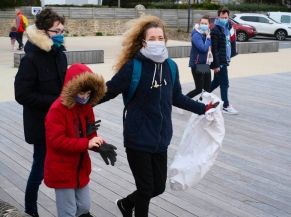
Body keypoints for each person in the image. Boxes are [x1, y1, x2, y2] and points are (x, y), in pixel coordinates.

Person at [99, 15, 218, 217]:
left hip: (161, 138)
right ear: (143, 42)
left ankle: (126, 204)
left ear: (165, 40)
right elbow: (108, 91)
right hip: (137, 138)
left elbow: (177, 97)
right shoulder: (133, 67)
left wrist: (202, 109)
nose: (156, 41)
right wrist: (80, 100)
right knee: (146, 189)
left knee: (157, 187)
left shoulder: (170, 66)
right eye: (152, 38)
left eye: (160, 37)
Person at [14, 8, 67, 217]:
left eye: (63, 30)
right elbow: (22, 95)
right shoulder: (31, 58)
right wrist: (55, 101)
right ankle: (31, 209)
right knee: (40, 168)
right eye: (57, 30)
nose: (61, 34)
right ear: (44, 32)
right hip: (41, 124)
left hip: (62, 124)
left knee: (63, 166)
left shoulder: (60, 54)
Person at [44, 63, 116, 217]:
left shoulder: (87, 107)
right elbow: (56, 140)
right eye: (81, 92)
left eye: (88, 93)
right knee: (68, 211)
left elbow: (90, 134)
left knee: (84, 206)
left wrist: (98, 145)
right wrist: (86, 143)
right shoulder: (57, 110)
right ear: (72, 89)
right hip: (61, 169)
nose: (84, 96)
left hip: (80, 168)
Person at [210, 7, 238, 114]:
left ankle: (202, 97)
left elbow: (229, 43)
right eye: (222, 17)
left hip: (224, 60)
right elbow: (214, 49)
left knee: (216, 82)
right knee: (225, 83)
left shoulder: (227, 28)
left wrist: (231, 55)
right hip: (220, 62)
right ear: (218, 17)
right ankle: (226, 105)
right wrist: (216, 65)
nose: (224, 19)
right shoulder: (215, 30)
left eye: (226, 17)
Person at [186, 15, 212, 98]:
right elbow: (203, 49)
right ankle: (183, 100)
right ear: (199, 24)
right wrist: (208, 38)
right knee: (199, 89)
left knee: (207, 87)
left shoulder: (206, 33)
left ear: (209, 25)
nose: (203, 25)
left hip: (204, 64)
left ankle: (203, 104)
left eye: (205, 23)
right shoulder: (196, 35)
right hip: (197, 64)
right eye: (202, 23)